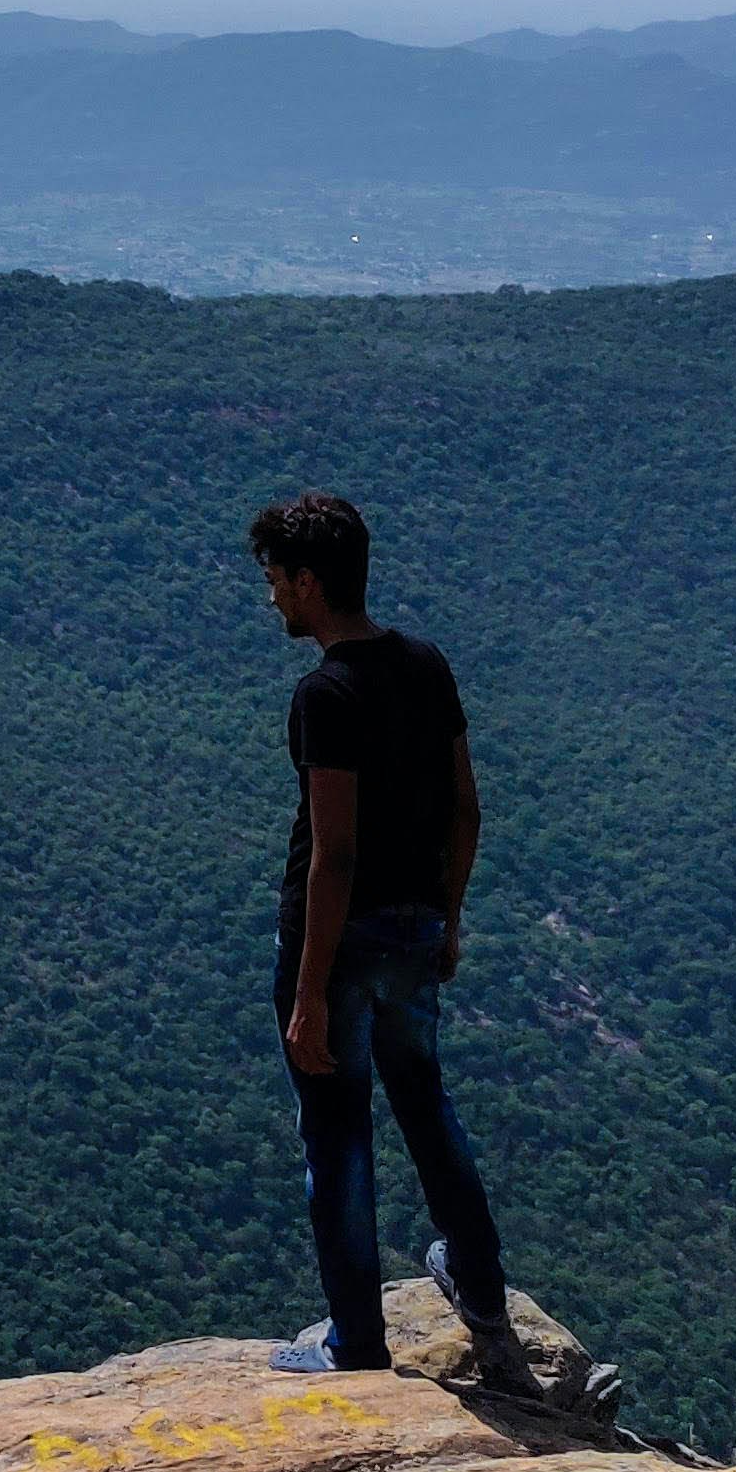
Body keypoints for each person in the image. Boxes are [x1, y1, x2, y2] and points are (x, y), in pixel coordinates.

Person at [251, 490, 531, 1390]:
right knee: (426, 1109)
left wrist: (308, 992)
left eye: (276, 579)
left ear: (308, 582)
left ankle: (356, 1341)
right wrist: (448, 917)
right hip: (415, 929)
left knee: (337, 1137)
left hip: (339, 945)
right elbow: (466, 808)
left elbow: (334, 855)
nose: (271, 595)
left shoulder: (325, 694)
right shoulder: (425, 665)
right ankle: (482, 1296)